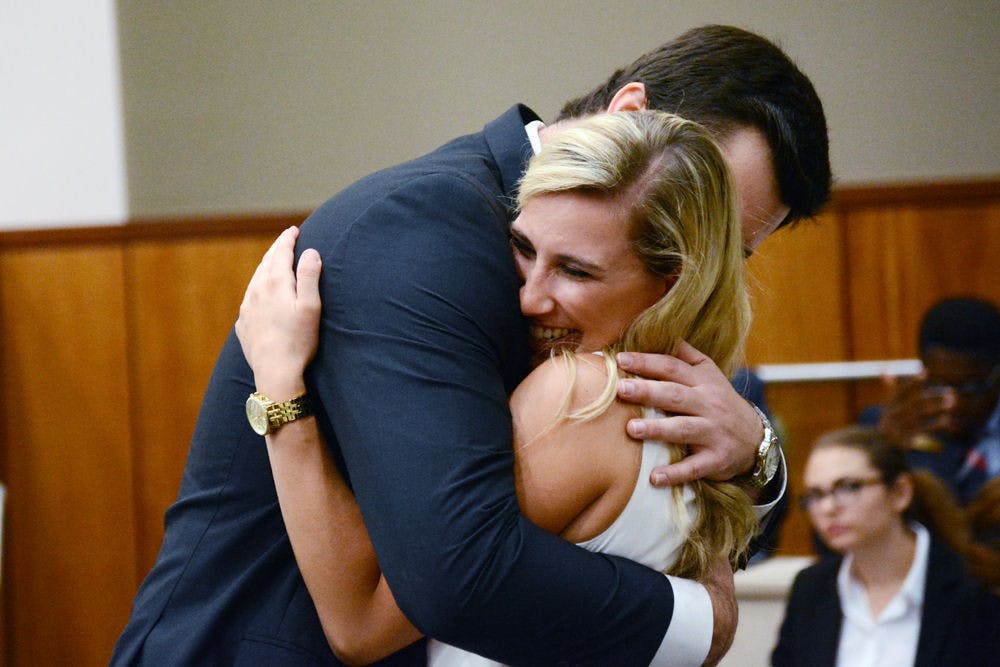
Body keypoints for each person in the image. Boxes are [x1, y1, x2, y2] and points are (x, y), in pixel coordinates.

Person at [112, 25, 831, 665]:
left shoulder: (635, 345)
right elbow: (451, 580)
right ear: (632, 117)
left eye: (727, 247)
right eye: (695, 204)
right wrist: (703, 622)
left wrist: (758, 453)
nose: (702, 253)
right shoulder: (421, 233)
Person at [238, 110, 765, 666]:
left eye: (577, 271)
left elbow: (361, 624)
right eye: (523, 247)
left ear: (672, 282)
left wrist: (279, 389)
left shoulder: (580, 396)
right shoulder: (687, 410)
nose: (529, 298)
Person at [772, 426, 1000, 666]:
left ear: (900, 492)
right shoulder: (810, 589)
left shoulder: (974, 586)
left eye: (849, 487)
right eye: (816, 495)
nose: (828, 508)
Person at [862, 296, 1000, 504]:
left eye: (971, 388)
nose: (952, 402)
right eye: (938, 385)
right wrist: (885, 454)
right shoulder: (886, 425)